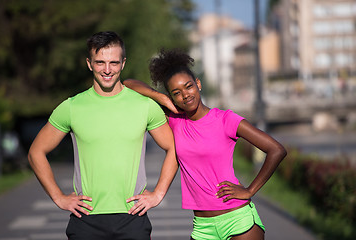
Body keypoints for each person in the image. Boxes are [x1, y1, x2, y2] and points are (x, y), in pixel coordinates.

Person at [28, 32, 178, 240]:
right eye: (100, 62)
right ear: (89, 63)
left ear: (123, 63)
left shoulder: (145, 106)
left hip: (133, 218)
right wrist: (58, 197)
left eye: (114, 63)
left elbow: (174, 148)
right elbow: (36, 152)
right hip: (85, 220)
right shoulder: (71, 107)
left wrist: (158, 193)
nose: (107, 70)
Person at [124, 48, 287, 240]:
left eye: (188, 86)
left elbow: (276, 150)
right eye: (177, 92)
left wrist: (250, 190)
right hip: (202, 227)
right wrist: (160, 97)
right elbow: (127, 84)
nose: (185, 95)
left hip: (238, 221)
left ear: (198, 84)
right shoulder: (175, 120)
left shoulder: (225, 120)